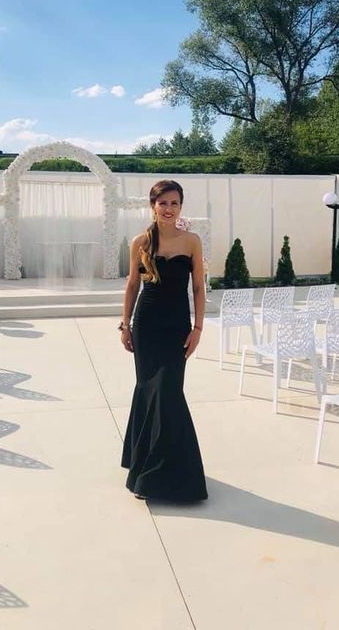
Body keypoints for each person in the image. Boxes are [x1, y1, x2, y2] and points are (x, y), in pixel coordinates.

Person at [120, 179, 208, 502]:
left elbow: (198, 287)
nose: (169, 209)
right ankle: (146, 470)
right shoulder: (141, 242)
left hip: (176, 327)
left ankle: (167, 473)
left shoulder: (192, 242)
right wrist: (125, 325)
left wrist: (198, 328)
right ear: (153, 206)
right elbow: (132, 285)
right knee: (148, 390)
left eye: (174, 203)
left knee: (168, 392)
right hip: (147, 325)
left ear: (181, 207)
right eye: (163, 203)